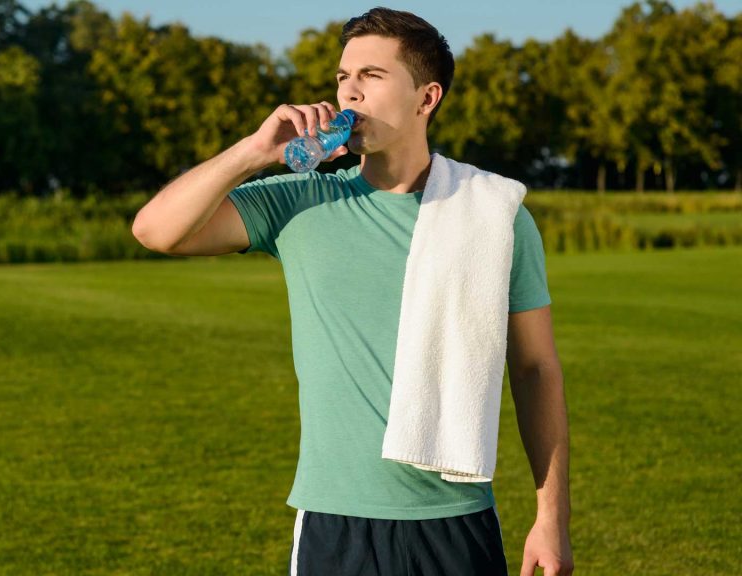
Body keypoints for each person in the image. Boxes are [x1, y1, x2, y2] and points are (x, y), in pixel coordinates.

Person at [132, 7, 572, 576]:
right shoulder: (299, 200)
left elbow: (536, 369)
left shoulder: (493, 215)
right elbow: (154, 230)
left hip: (456, 518)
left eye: (372, 76)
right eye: (343, 77)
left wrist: (551, 516)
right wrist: (253, 152)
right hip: (334, 520)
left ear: (426, 97)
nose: (349, 93)